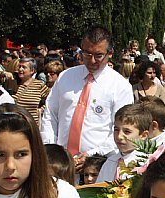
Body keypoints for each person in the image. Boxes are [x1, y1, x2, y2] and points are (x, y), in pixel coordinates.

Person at [41, 25, 134, 174]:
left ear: (110, 53)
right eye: (87, 54)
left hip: (98, 166)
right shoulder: (65, 77)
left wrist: (92, 155)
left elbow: (120, 130)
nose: (91, 60)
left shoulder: (120, 86)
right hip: (59, 163)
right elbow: (50, 115)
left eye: (98, 55)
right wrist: (51, 150)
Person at [96, 104, 152, 183]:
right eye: (116, 129)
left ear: (143, 135)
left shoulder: (146, 164)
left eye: (127, 132)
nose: (119, 136)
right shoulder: (110, 162)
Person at [11, 57, 50, 126]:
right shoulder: (12, 82)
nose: (20, 69)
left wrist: (41, 110)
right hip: (14, 124)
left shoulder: (39, 85)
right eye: (19, 66)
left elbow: (51, 99)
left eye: (24, 67)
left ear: (32, 70)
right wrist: (5, 74)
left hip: (31, 125)